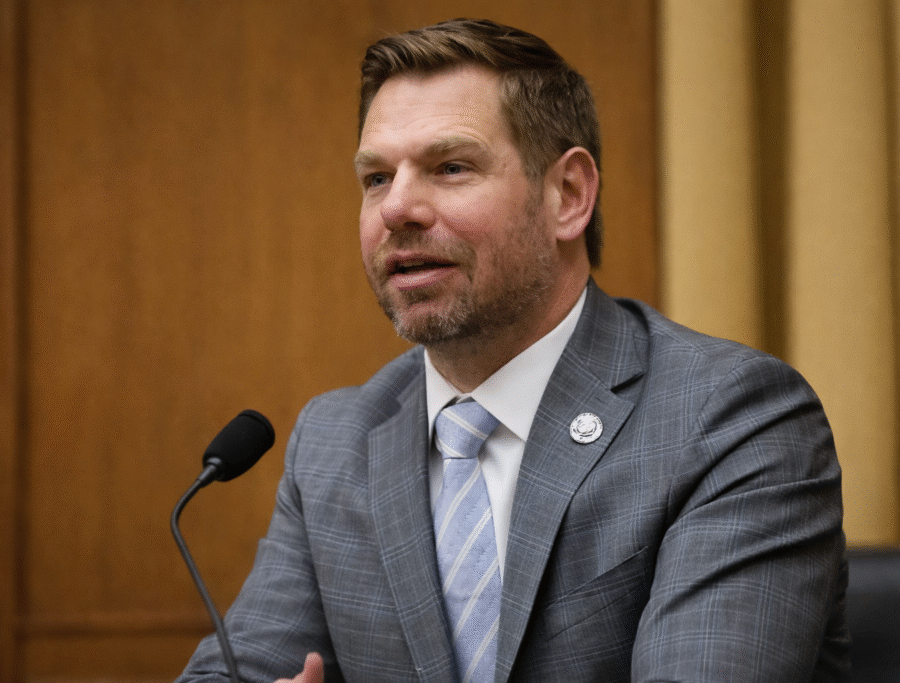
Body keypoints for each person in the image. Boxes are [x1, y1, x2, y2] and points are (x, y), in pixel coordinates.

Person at [177, 18, 849, 683]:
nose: (396, 209)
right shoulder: (335, 443)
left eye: (451, 167)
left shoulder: (730, 419)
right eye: (377, 178)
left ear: (569, 195)